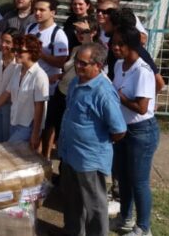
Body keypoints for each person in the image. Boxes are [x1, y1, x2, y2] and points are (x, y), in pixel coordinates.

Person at [58, 42, 126, 236]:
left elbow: (119, 129)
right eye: (77, 61)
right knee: (72, 201)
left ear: (98, 65)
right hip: (70, 154)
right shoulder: (75, 82)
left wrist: (96, 144)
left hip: (89, 159)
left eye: (83, 63)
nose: (78, 66)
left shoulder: (103, 92)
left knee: (94, 206)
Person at [110, 28, 159, 236]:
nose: (115, 48)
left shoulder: (142, 71)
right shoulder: (119, 64)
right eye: (113, 43)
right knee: (123, 177)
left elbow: (142, 108)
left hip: (141, 132)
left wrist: (119, 97)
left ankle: (143, 228)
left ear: (132, 46)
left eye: (120, 44)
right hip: (123, 129)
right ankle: (125, 218)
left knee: (139, 182)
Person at [0, 34, 49, 150]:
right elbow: (6, 93)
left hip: (27, 127)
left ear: (32, 52)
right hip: (14, 122)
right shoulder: (18, 69)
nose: (16, 53)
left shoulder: (40, 76)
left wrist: (35, 133)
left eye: (20, 51)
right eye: (15, 50)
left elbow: (40, 107)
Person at [27, 0, 70, 159]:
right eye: (36, 9)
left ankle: (45, 158)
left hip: (48, 88)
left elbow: (61, 61)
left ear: (53, 12)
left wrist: (41, 54)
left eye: (42, 10)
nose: (37, 13)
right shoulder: (30, 27)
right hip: (29, 83)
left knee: (45, 124)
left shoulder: (58, 34)